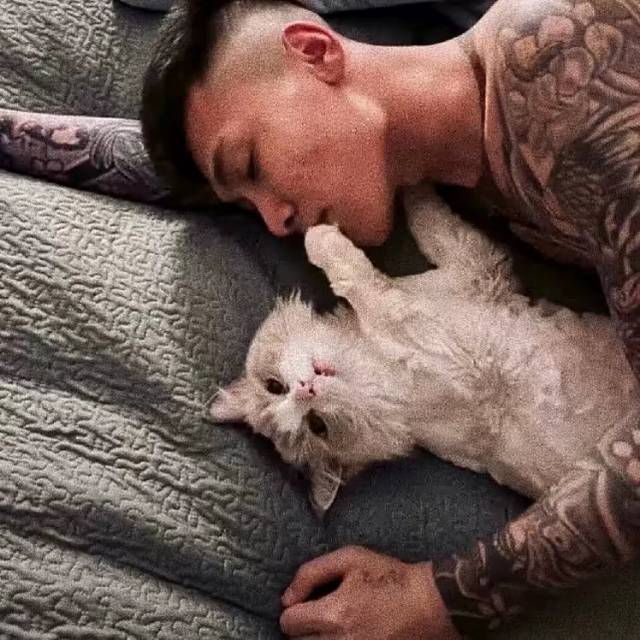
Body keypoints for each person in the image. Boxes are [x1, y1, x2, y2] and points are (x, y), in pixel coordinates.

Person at [1, 0, 639, 637]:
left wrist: (442, 598)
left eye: (252, 167)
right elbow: (171, 161)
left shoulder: (563, 74)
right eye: (246, 204)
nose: (275, 220)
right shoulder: (460, 156)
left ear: (315, 51)